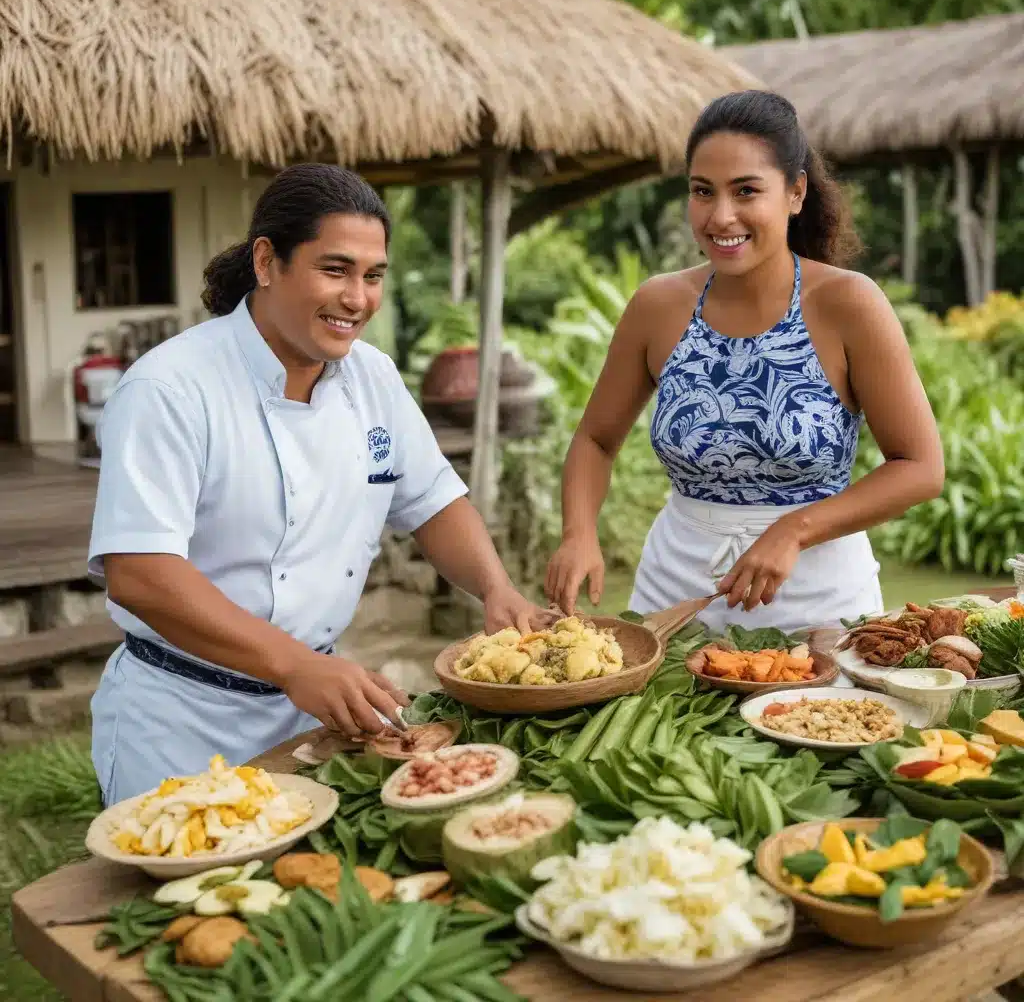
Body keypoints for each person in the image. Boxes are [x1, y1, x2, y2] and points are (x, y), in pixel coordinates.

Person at [89, 163, 546, 804]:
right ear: (267, 262)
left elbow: (433, 500)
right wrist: (294, 664)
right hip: (181, 720)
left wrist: (498, 590)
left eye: (373, 275)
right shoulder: (168, 389)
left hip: (313, 710)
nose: (357, 298)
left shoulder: (372, 377)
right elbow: (138, 572)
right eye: (335, 270)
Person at [546, 90, 943, 636]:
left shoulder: (848, 304)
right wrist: (579, 532)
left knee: (819, 723)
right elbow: (595, 439)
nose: (721, 216)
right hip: (674, 592)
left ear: (795, 192)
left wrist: (795, 529)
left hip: (819, 600)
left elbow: (919, 467)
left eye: (746, 191)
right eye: (702, 191)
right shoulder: (658, 307)